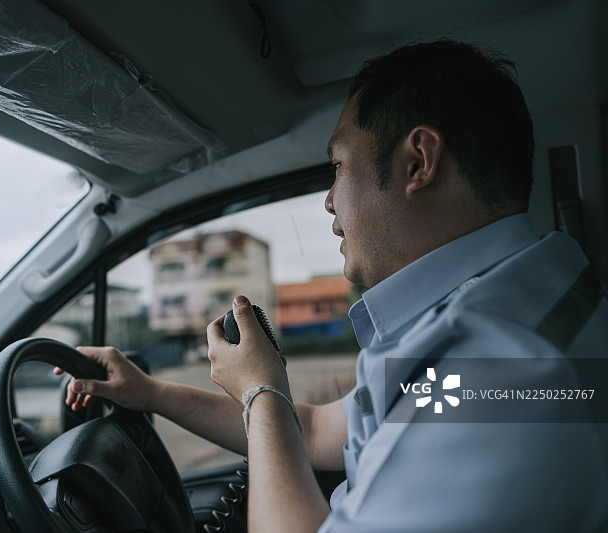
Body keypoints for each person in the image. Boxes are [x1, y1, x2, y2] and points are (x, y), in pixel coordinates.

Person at [59, 40, 608, 532]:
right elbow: (323, 430)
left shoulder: (497, 377)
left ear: (419, 161)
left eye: (339, 165)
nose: (328, 199)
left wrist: (262, 391)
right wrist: (151, 394)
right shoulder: (499, 311)